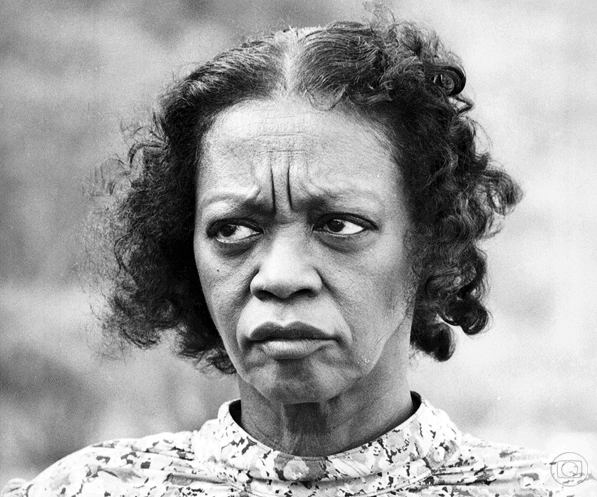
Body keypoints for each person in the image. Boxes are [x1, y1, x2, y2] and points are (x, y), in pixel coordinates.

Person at [3, 18, 595, 497]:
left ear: (429, 244)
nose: (281, 277)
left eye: (340, 225)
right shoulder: (90, 488)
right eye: (234, 229)